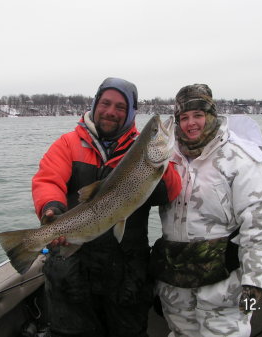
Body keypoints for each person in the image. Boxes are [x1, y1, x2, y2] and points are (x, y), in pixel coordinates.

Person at [31, 77, 181, 337]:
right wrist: (51, 209)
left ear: (130, 113)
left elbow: (172, 191)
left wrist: (160, 164)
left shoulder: (142, 151)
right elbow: (47, 179)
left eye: (120, 107)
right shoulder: (68, 144)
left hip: (126, 273)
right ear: (95, 104)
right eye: (106, 103)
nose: (111, 111)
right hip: (72, 267)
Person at [150, 84, 262, 337]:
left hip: (222, 285)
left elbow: (258, 220)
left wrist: (254, 279)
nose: (190, 123)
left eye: (197, 115)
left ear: (211, 115)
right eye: (183, 117)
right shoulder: (164, 156)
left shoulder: (238, 158)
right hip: (175, 282)